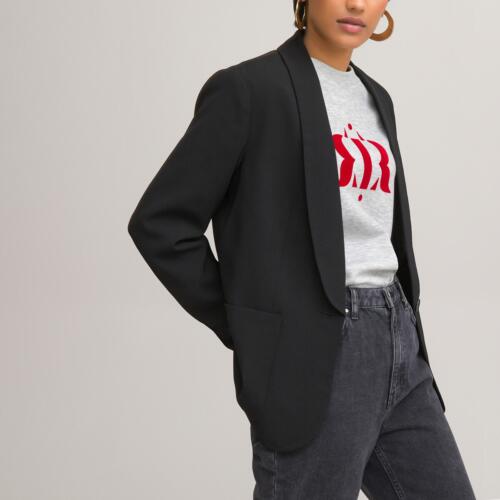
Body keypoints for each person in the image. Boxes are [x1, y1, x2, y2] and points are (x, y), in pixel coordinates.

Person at [128, 0, 476, 497]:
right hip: (317, 351)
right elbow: (161, 223)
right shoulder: (249, 90)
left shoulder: (377, 98)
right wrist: (253, 324)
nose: (356, 3)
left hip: (400, 341)